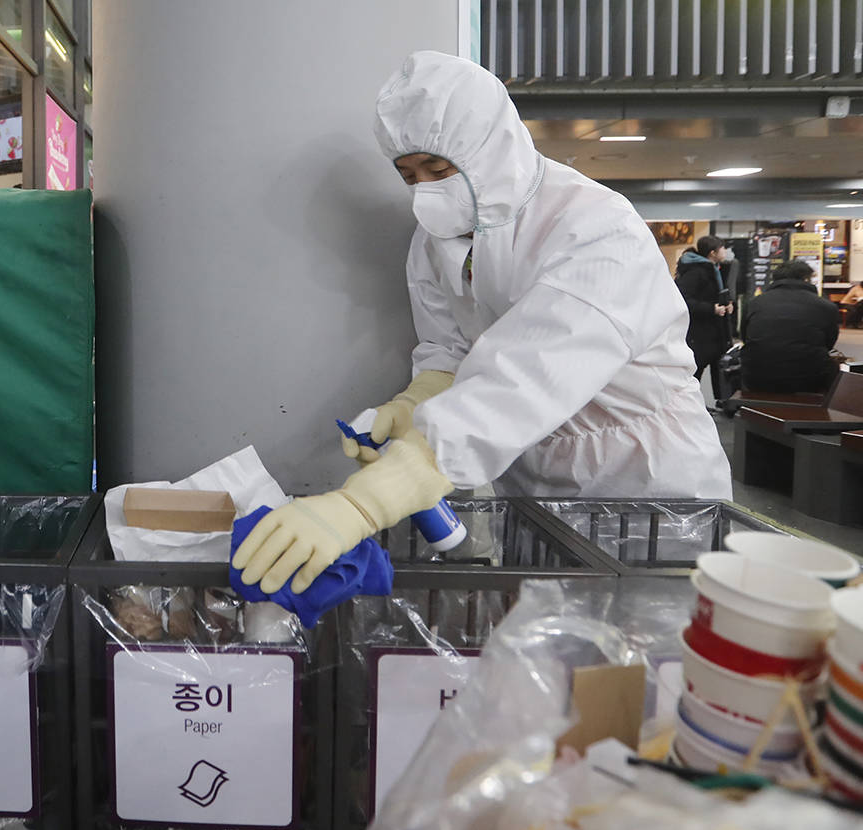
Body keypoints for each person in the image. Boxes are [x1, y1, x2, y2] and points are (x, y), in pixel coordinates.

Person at [234, 51, 731, 596]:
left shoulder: (594, 229)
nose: (424, 188)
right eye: (408, 175)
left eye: (438, 168)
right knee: (547, 639)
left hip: (643, 475)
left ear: (490, 147)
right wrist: (414, 405)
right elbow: (450, 347)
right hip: (532, 474)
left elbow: (524, 380)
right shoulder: (434, 240)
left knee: (648, 637)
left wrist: (365, 502)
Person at [739, 261, 840, 394]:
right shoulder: (826, 306)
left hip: (756, 377)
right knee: (833, 367)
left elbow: (745, 336)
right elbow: (829, 343)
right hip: (809, 378)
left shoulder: (754, 303)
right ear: (806, 279)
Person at [675, 235, 734, 401]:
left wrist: (727, 304)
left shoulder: (714, 269)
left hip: (714, 331)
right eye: (722, 248)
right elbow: (683, 300)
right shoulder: (697, 272)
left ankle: (717, 403)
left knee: (717, 370)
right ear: (713, 252)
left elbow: (713, 295)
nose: (726, 251)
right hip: (700, 332)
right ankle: (689, 403)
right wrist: (711, 309)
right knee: (695, 371)